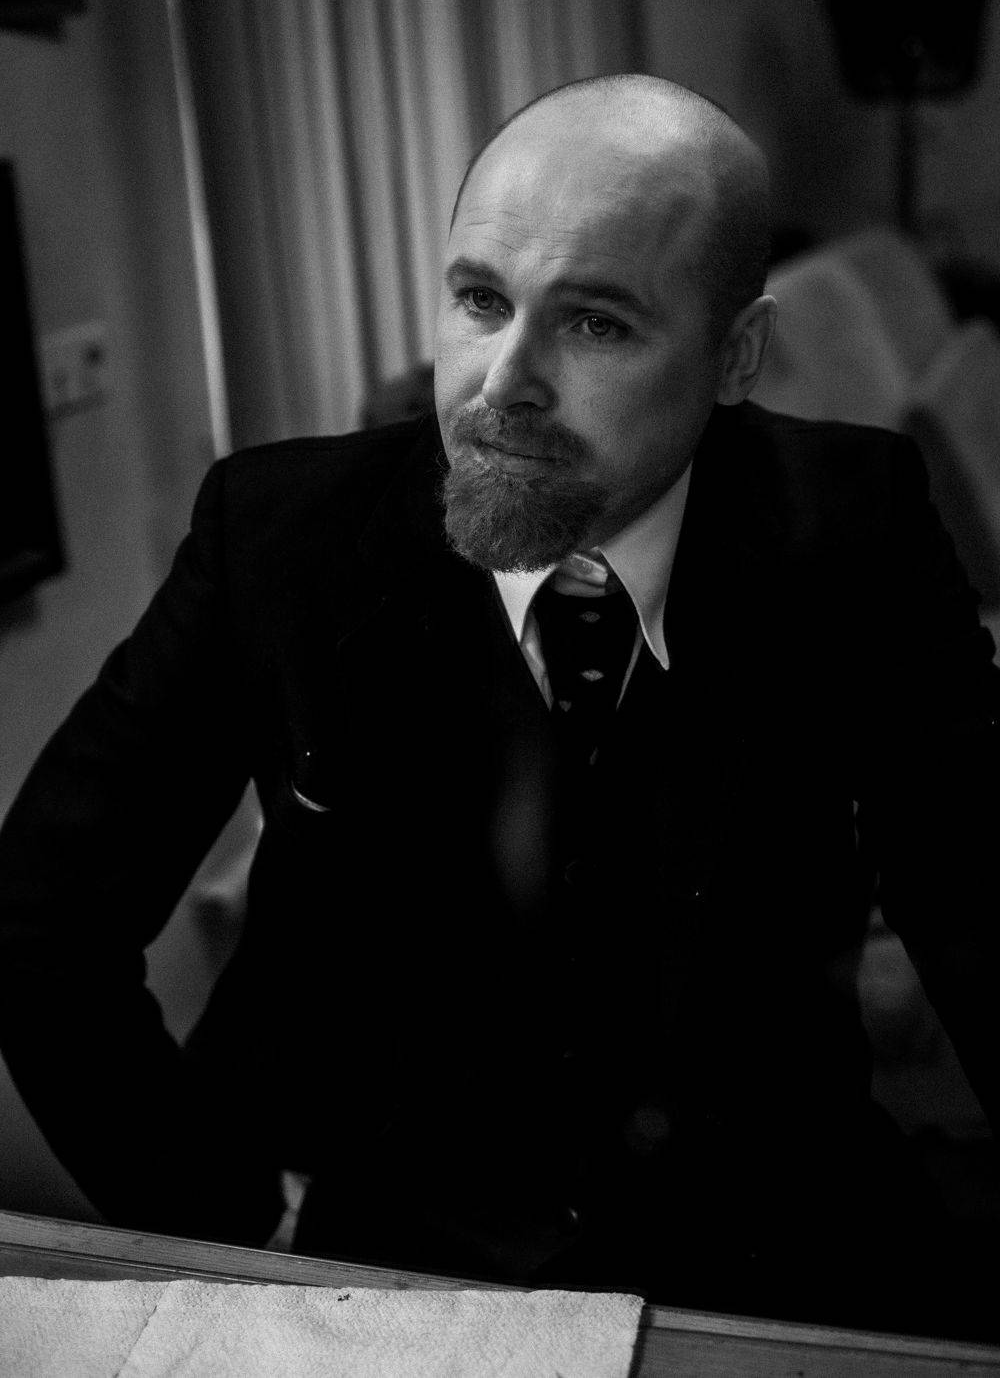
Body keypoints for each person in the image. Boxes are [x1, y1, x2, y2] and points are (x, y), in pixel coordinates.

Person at [0, 75, 997, 1338]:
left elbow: (979, 898)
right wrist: (230, 1218)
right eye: (479, 300)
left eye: (595, 324)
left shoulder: (858, 522)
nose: (501, 383)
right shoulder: (280, 537)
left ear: (736, 354)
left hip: (760, 1241)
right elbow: (37, 919)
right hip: (369, 1256)